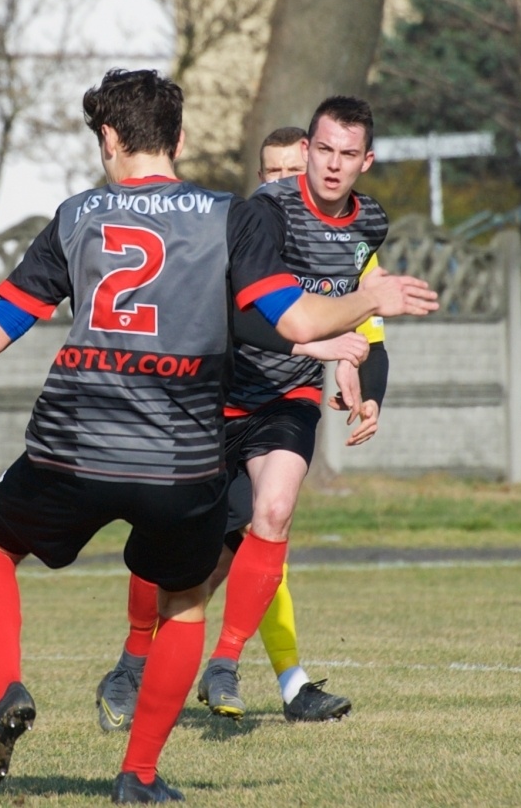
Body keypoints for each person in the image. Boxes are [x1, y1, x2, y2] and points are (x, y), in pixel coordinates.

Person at [0, 69, 437, 803]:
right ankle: (137, 775)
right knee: (187, 603)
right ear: (181, 138)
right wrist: (370, 298)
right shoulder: (231, 216)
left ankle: (7, 687)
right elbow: (296, 323)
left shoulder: (75, 216)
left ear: (109, 138)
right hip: (179, 459)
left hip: (71, 442)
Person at [95, 115, 390, 731]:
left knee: (272, 515)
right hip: (213, 397)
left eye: (345, 154)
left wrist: (366, 386)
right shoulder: (253, 220)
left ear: (364, 159)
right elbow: (239, 316)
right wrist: (314, 345)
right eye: (282, 171)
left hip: (287, 402)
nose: (312, 173)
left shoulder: (365, 226)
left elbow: (366, 324)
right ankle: (133, 662)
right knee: (184, 547)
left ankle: (233, 665)